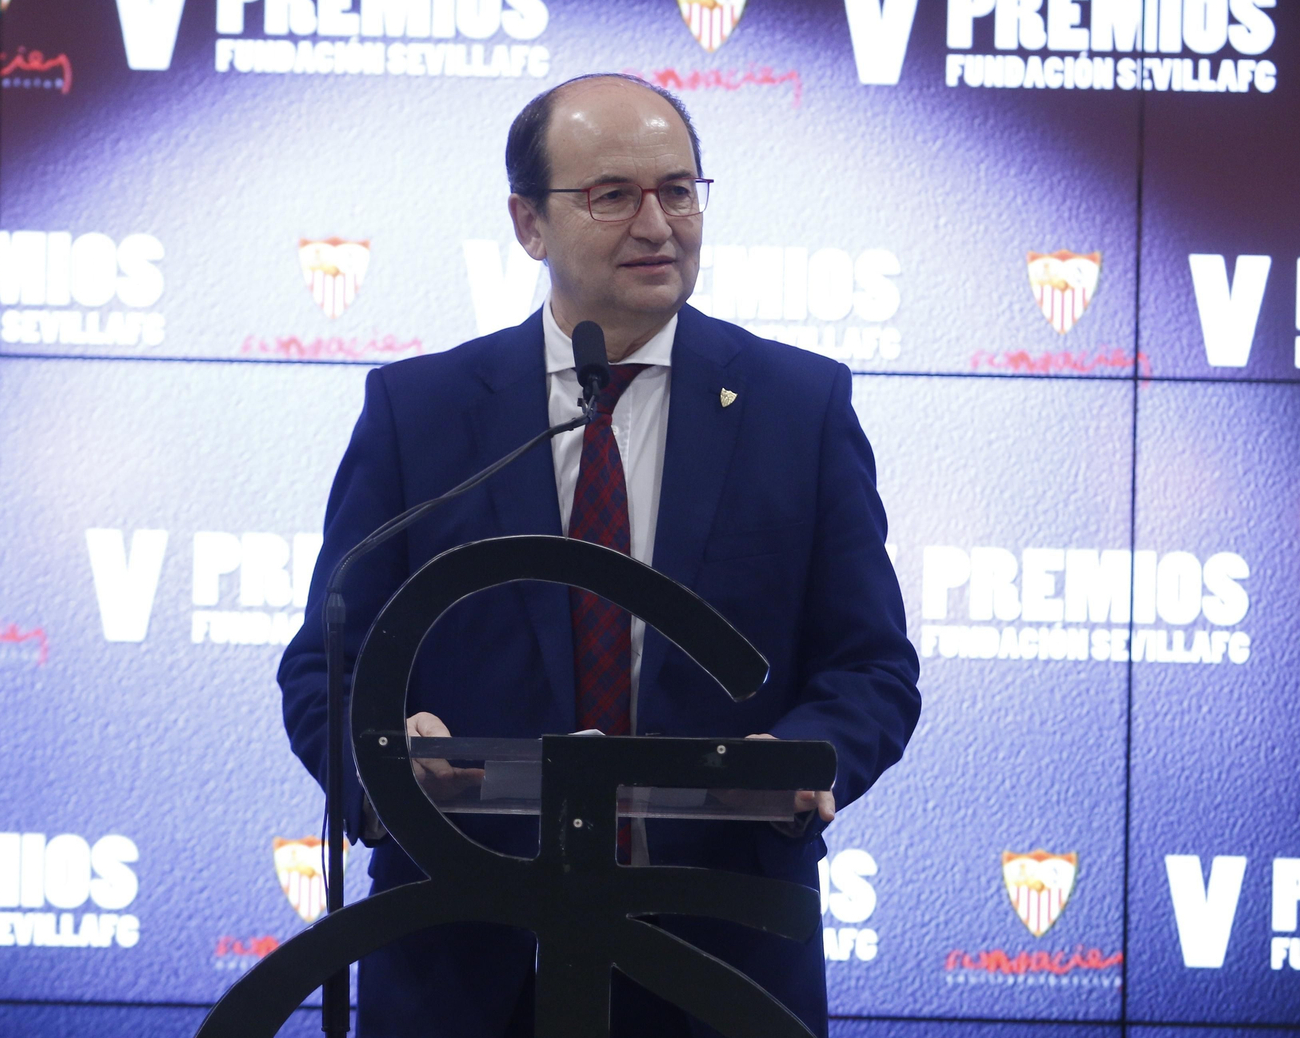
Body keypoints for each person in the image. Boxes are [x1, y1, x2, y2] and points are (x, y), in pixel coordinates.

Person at [277, 73, 920, 1037]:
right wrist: (386, 760)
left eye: (679, 189)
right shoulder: (420, 412)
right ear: (529, 225)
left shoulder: (802, 408)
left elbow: (871, 666)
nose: (658, 224)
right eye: (612, 195)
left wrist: (799, 758)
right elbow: (327, 665)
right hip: (462, 955)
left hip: (718, 955)